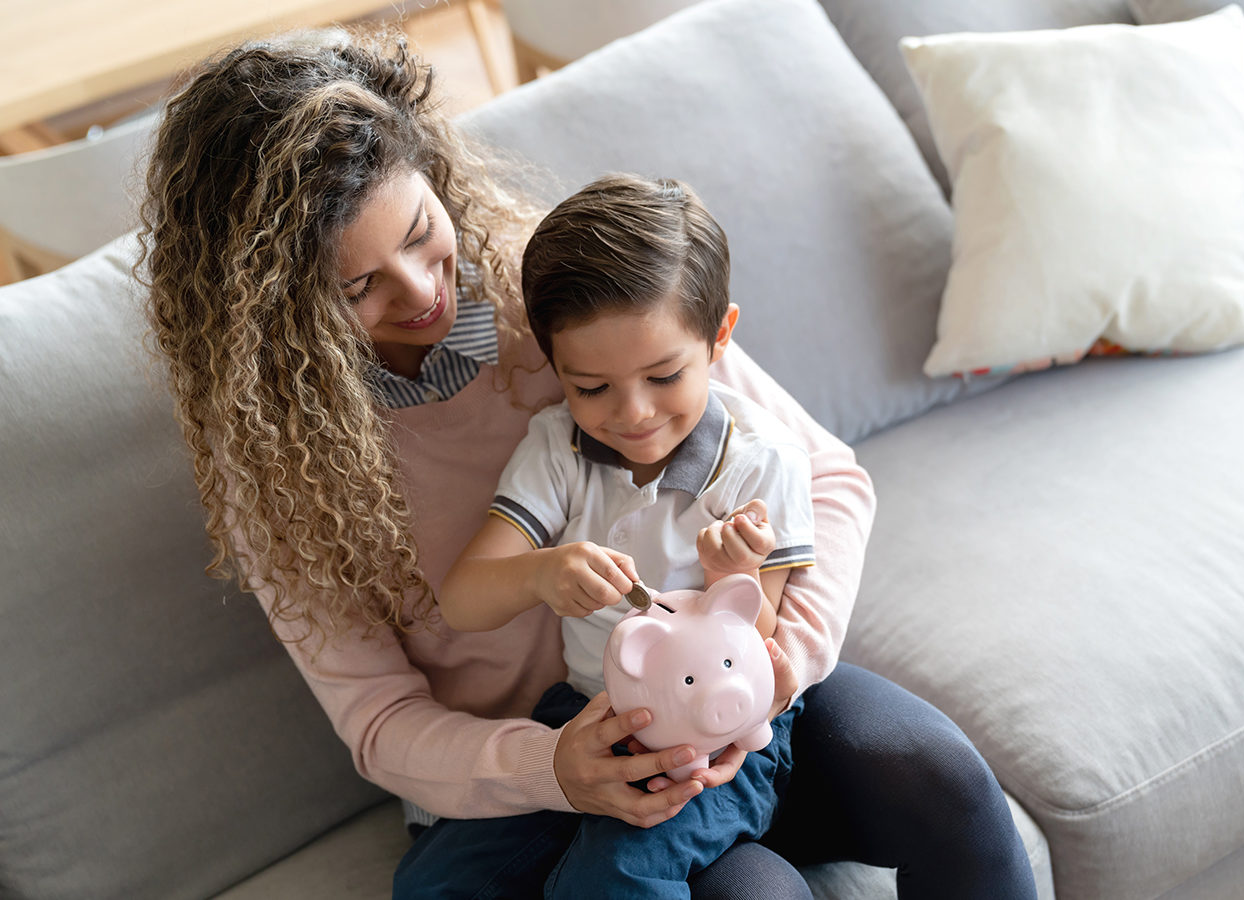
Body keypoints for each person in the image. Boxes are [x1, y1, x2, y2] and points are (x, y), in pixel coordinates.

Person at [137, 27, 1038, 900]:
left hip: (715, 685)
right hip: (524, 774)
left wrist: (774, 669)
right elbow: (380, 725)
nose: (422, 293)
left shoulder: (560, 286)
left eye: (420, 232)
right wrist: (555, 769)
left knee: (944, 782)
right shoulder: (278, 461)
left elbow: (825, 477)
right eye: (357, 285)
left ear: (438, 178)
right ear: (280, 312)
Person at [438, 173, 816, 897]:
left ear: (719, 338)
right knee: (440, 881)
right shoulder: (557, 450)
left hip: (722, 735)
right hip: (588, 709)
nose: (634, 413)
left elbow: (761, 648)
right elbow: (463, 602)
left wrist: (733, 578)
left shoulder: (760, 463)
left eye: (664, 375)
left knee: (610, 881)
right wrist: (540, 573)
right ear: (557, 372)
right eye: (592, 388)